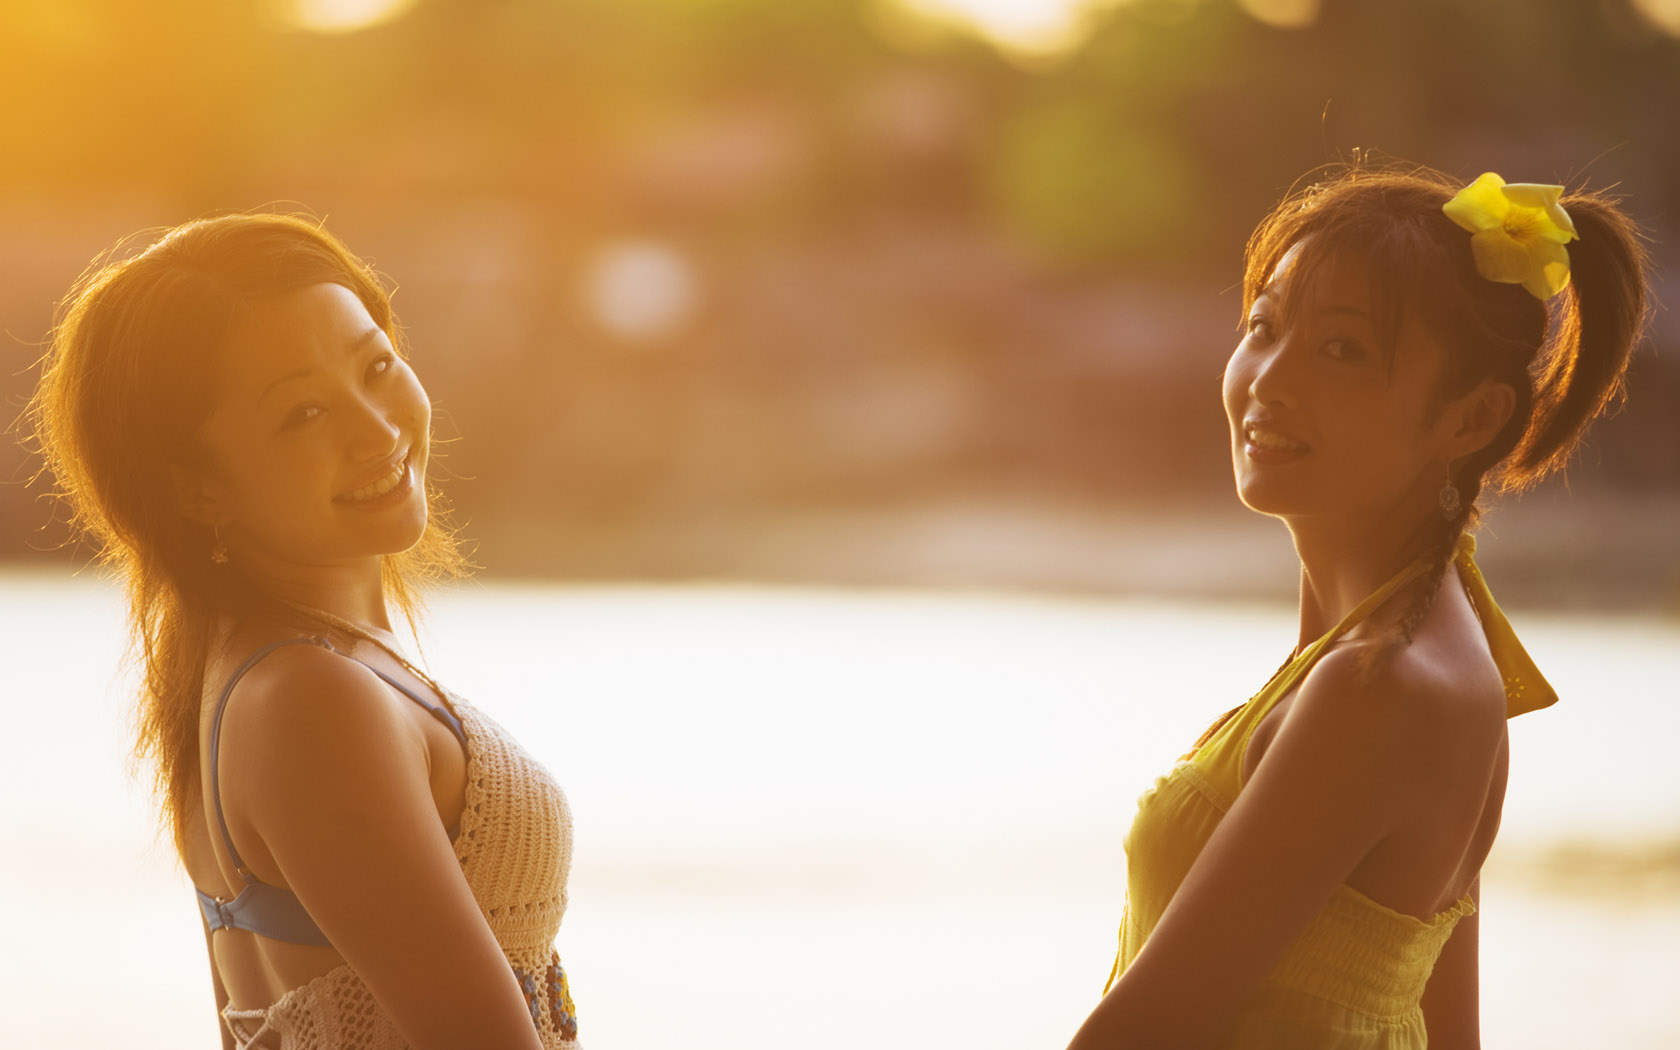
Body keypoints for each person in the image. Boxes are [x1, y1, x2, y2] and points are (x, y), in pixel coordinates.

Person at [1067, 165, 1647, 1049]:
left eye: (1341, 349)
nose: (1270, 377)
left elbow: (1149, 1031)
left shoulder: (1386, 684)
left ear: (1470, 419)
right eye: (1263, 327)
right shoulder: (1425, 649)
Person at [26, 213, 581, 1050]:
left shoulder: (266, 674)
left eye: (377, 366)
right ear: (194, 489)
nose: (378, 429)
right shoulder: (307, 700)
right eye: (304, 413)